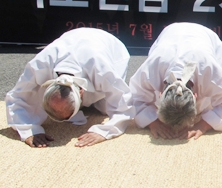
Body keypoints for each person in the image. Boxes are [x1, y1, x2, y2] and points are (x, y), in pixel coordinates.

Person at [5, 28, 135, 148]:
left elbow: (123, 102)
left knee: (105, 108)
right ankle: (71, 106)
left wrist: (105, 132)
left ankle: (85, 104)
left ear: (81, 92)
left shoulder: (102, 70)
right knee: (34, 99)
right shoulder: (39, 65)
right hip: (72, 39)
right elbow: (17, 95)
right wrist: (28, 130)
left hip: (112, 47)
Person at [129, 23, 222, 140]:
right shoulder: (151, 68)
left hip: (206, 35)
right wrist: (153, 122)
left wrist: (204, 125)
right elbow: (134, 96)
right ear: (160, 95)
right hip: (170, 33)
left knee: (212, 101)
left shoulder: (209, 69)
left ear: (195, 96)